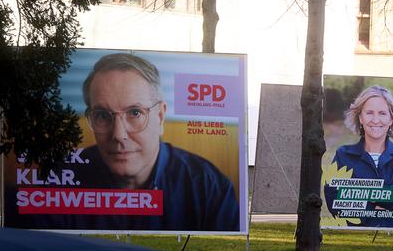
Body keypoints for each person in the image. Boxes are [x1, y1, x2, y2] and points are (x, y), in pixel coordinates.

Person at [30, 53, 239, 231]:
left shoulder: (209, 187)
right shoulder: (58, 181)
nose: (119, 135)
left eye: (135, 112)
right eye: (103, 115)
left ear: (160, 117)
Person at [324, 85, 393, 228]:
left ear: (391, 119)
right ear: (361, 118)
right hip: (357, 239)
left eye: (382, 113)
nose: (376, 120)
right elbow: (334, 199)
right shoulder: (343, 155)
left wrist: (361, 194)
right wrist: (375, 210)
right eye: (369, 113)